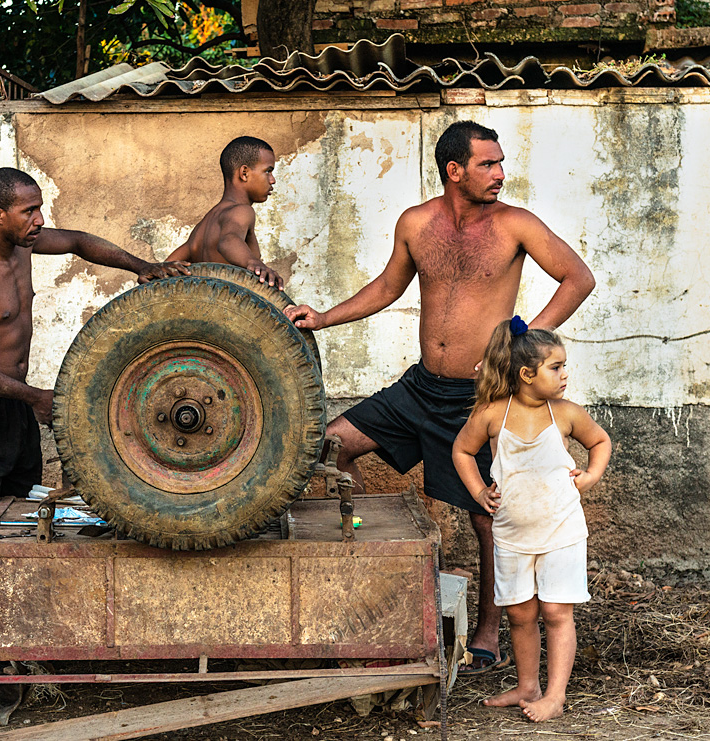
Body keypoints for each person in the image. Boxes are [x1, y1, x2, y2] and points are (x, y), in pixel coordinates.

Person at [284, 120, 596, 674]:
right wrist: (325, 317)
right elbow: (387, 286)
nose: (501, 174)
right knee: (332, 446)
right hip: (420, 388)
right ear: (455, 171)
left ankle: (490, 629)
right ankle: (375, 570)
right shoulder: (417, 223)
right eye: (487, 164)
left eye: (501, 163)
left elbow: (578, 278)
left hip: (482, 397)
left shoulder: (515, 225)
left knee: (488, 515)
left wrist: (518, 344)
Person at [0, 167, 189, 638]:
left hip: (12, 405)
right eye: (29, 211)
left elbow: (79, 241)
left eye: (39, 207)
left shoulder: (23, 247)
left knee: (18, 515)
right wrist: (37, 397)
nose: (39, 219)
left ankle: (5, 633)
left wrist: (140, 267)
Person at [452, 318, 611, 721]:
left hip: (561, 532)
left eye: (563, 366)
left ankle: (554, 696)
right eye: (555, 367)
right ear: (526, 374)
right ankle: (527, 685)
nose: (564, 374)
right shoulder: (493, 414)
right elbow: (462, 451)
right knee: (520, 614)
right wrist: (477, 491)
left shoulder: (566, 414)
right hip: (511, 534)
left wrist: (590, 476)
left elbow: (600, 441)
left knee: (557, 613)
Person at [166, 136, 284, 290]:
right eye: (268, 171)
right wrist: (254, 263)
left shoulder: (203, 226)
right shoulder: (242, 211)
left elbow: (166, 268)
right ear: (244, 173)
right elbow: (228, 241)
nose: (272, 180)